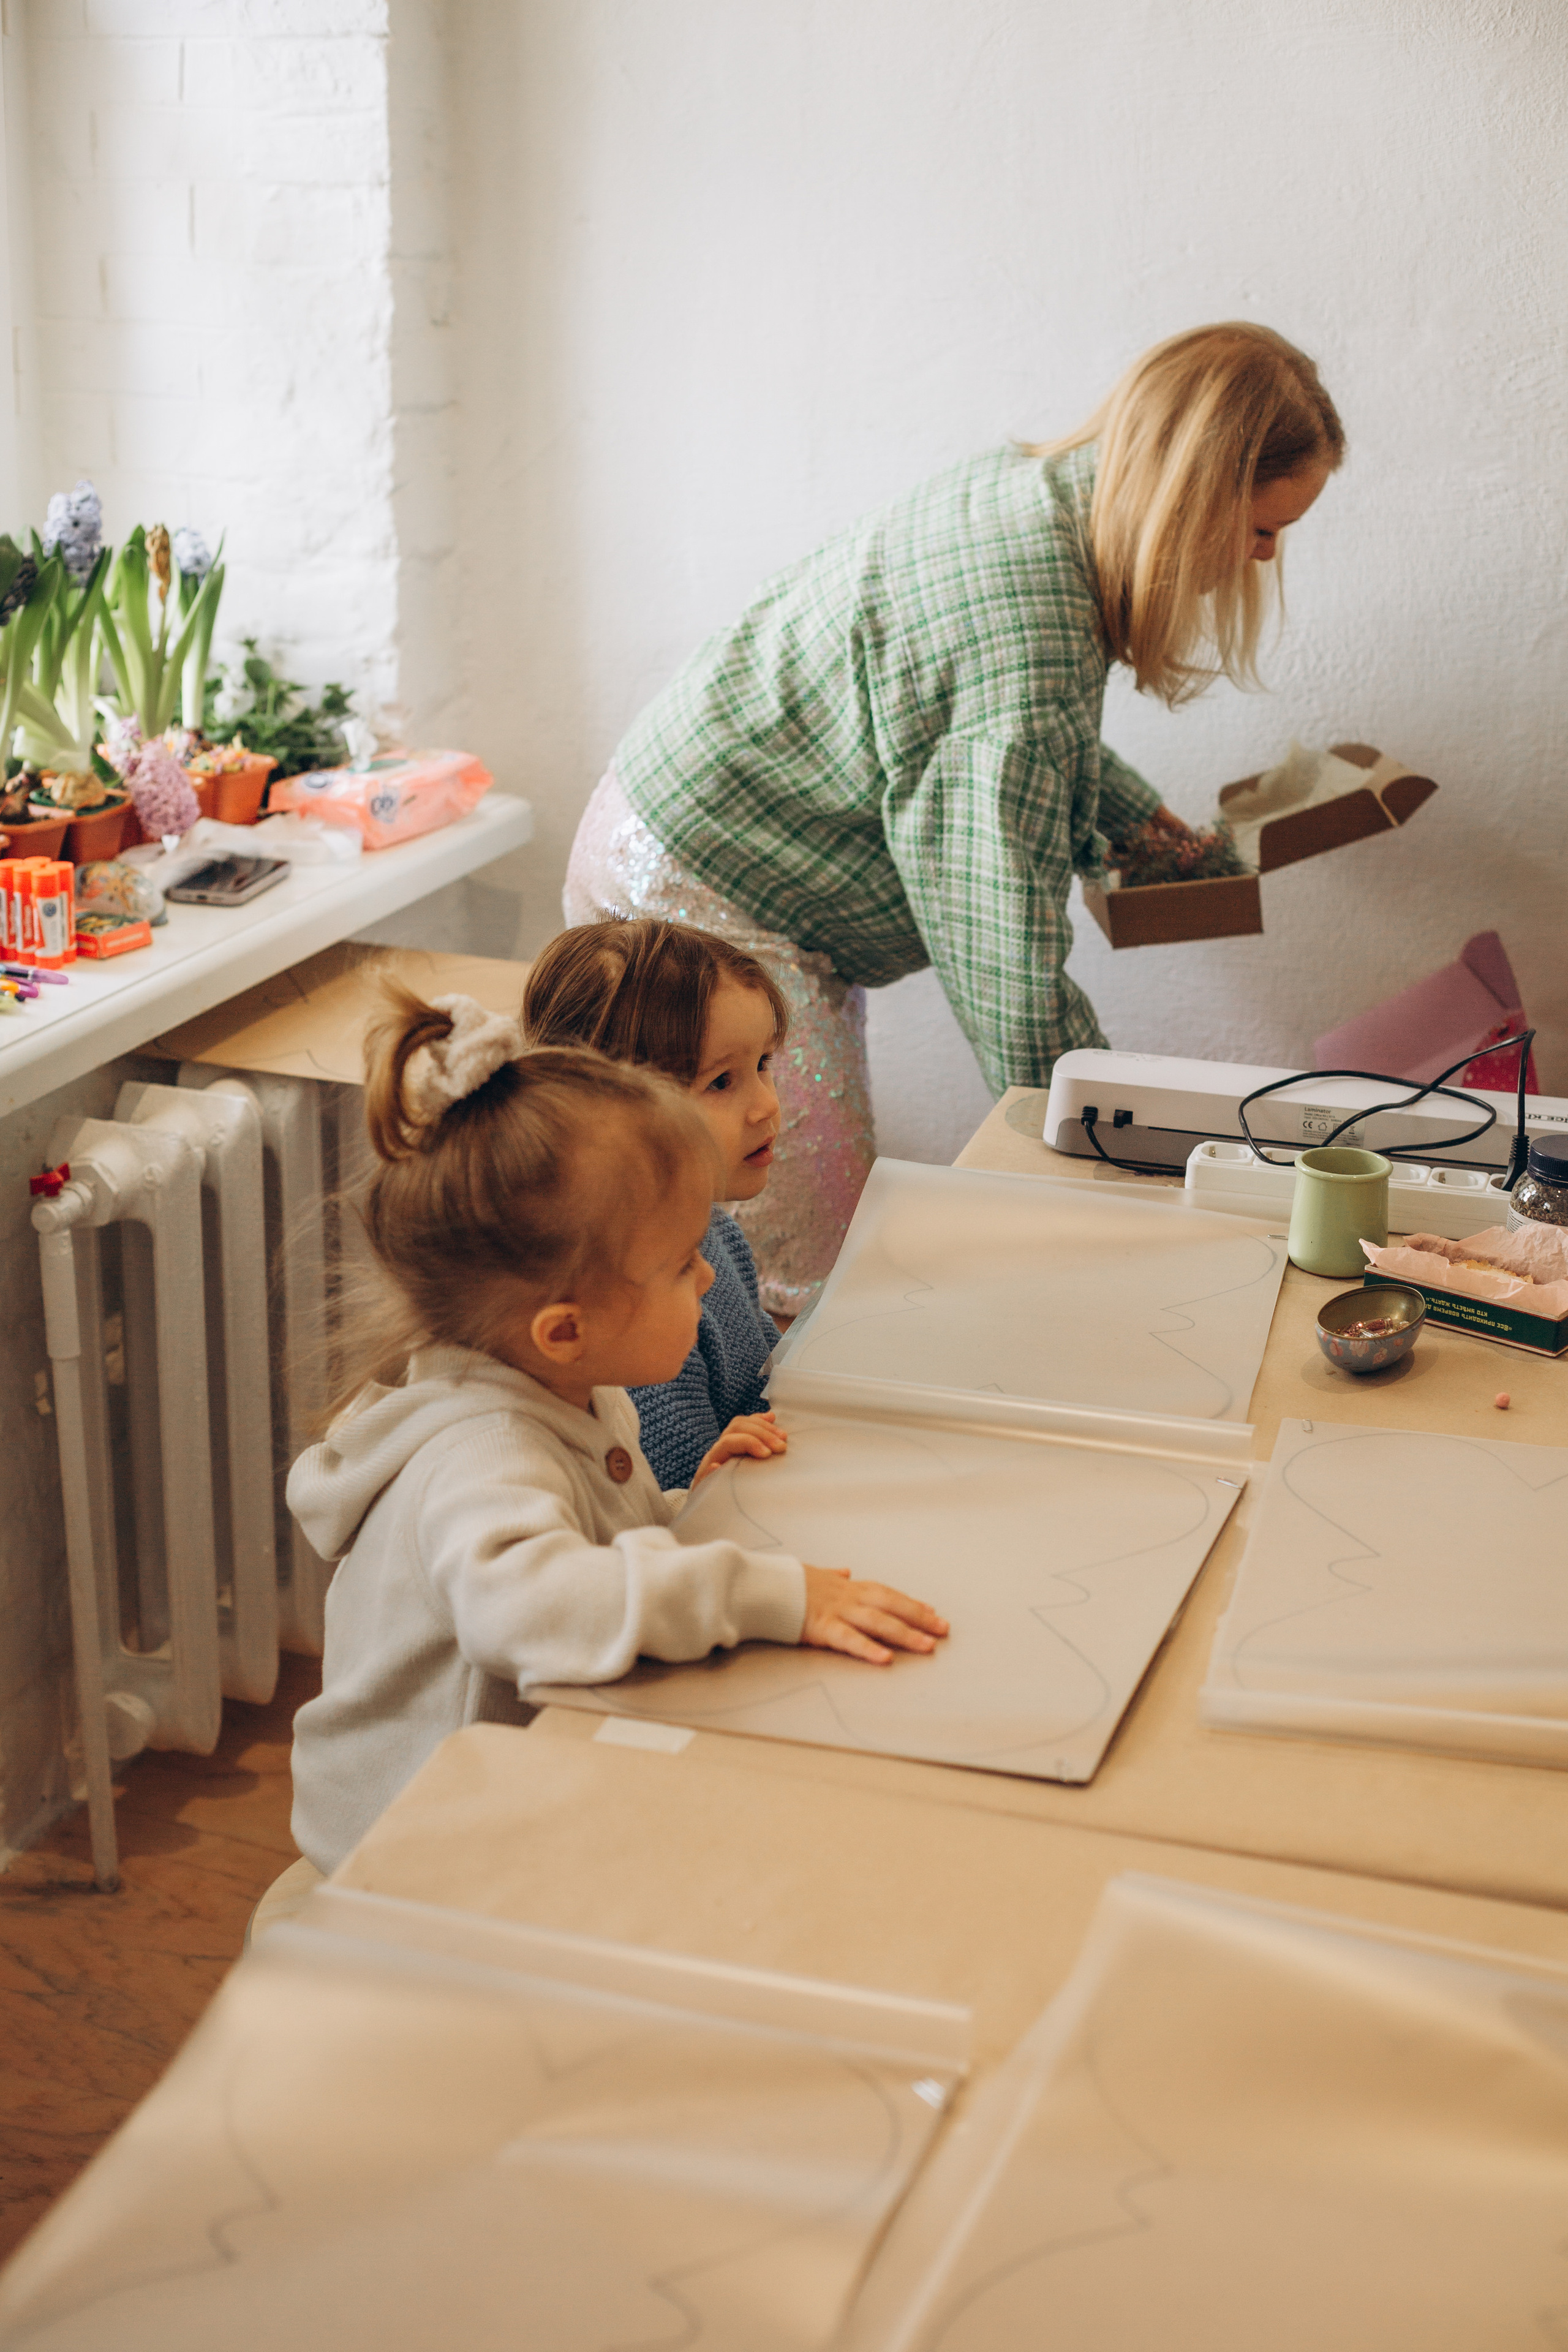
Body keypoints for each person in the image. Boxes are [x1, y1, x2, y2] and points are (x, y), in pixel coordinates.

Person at [565, 322, 1344, 1313]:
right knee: (798, 1275)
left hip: (674, 837)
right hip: (703, 895)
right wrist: (1111, 1142)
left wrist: (1141, 823)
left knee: (747, 1246)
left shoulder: (1036, 500)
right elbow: (1003, 960)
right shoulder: (1029, 625)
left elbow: (1017, 739)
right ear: (1190, 490)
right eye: (1264, 526)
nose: (1264, 558)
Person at [288, 988, 946, 1872]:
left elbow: (579, 1538)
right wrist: (772, 1596)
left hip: (491, 1804)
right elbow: (531, 1604)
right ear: (565, 1328)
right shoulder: (483, 1455)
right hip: (414, 1855)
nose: (709, 1280)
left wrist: (671, 1504)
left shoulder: (561, 1392)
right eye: (679, 1266)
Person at [523, 915, 788, 1491]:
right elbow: (670, 1507)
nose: (766, 1104)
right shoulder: (630, 1305)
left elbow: (774, 1377)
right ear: (617, 1108)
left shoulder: (713, 1230)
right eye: (722, 1082)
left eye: (764, 1065)